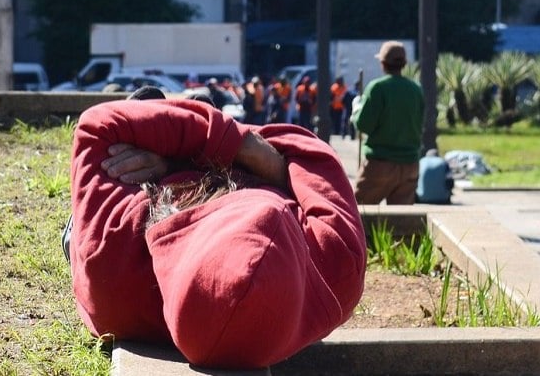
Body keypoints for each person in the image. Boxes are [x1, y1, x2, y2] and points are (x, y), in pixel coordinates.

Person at [64, 93, 366, 369]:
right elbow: (314, 153)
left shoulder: (112, 257)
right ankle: (185, 117)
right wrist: (251, 158)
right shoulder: (337, 268)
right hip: (181, 189)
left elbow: (100, 124)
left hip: (114, 217)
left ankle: (179, 114)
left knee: (149, 109)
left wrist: (220, 151)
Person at [352, 41, 424, 204]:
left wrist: (356, 110)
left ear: (383, 63)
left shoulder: (377, 88)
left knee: (360, 215)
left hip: (380, 163)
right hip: (410, 165)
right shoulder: (415, 89)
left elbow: (363, 124)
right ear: (404, 64)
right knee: (401, 222)